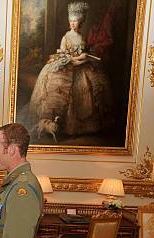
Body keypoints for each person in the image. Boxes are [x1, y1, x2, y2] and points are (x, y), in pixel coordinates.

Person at [19, 1, 113, 142]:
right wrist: (74, 59)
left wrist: (84, 57)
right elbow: (63, 53)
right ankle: (54, 122)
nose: (73, 24)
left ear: (80, 22)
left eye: (76, 21)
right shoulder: (66, 37)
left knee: (88, 88)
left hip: (82, 68)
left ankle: (79, 126)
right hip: (67, 65)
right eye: (71, 21)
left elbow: (84, 51)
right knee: (59, 90)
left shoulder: (82, 37)